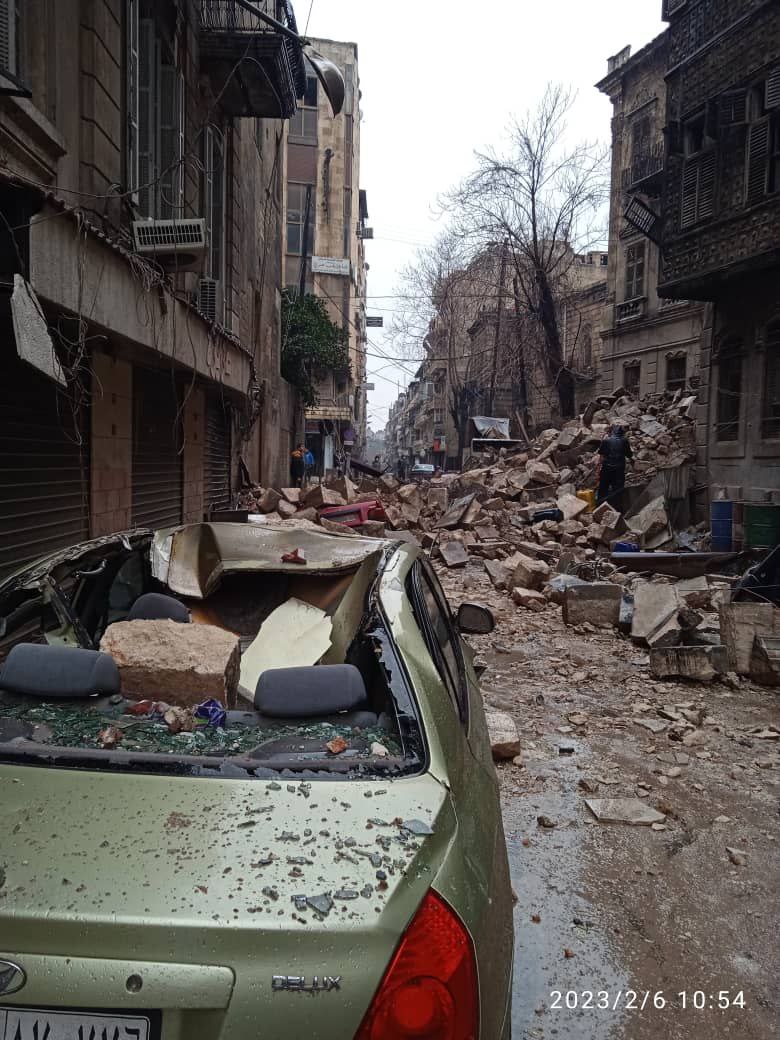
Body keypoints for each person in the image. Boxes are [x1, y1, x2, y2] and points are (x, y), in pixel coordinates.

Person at [597, 425, 633, 508]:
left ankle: (599, 507)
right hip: (619, 469)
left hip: (606, 468)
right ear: (622, 433)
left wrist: (598, 470)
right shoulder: (624, 441)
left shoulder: (606, 441)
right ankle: (617, 509)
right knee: (617, 490)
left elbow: (601, 456)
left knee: (603, 488)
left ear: (612, 432)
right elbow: (629, 455)